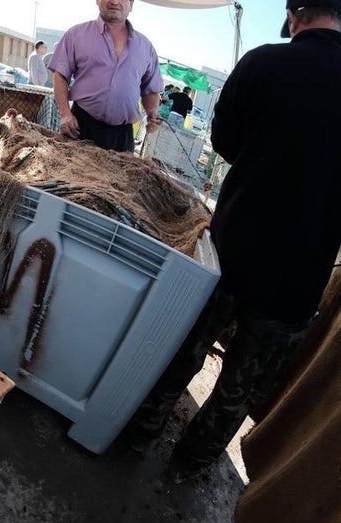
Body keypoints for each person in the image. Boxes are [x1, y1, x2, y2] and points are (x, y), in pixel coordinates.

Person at [123, 0, 341, 482]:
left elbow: (223, 141)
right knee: (240, 385)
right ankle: (188, 465)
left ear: (295, 15)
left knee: (186, 348)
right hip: (300, 278)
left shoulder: (263, 62)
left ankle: (140, 433)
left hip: (232, 250)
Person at [48, 0, 164, 151]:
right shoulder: (76, 34)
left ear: (131, 4)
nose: (114, 2)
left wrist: (152, 113)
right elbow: (60, 75)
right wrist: (65, 114)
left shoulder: (145, 47)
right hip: (80, 126)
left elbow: (150, 89)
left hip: (122, 136)